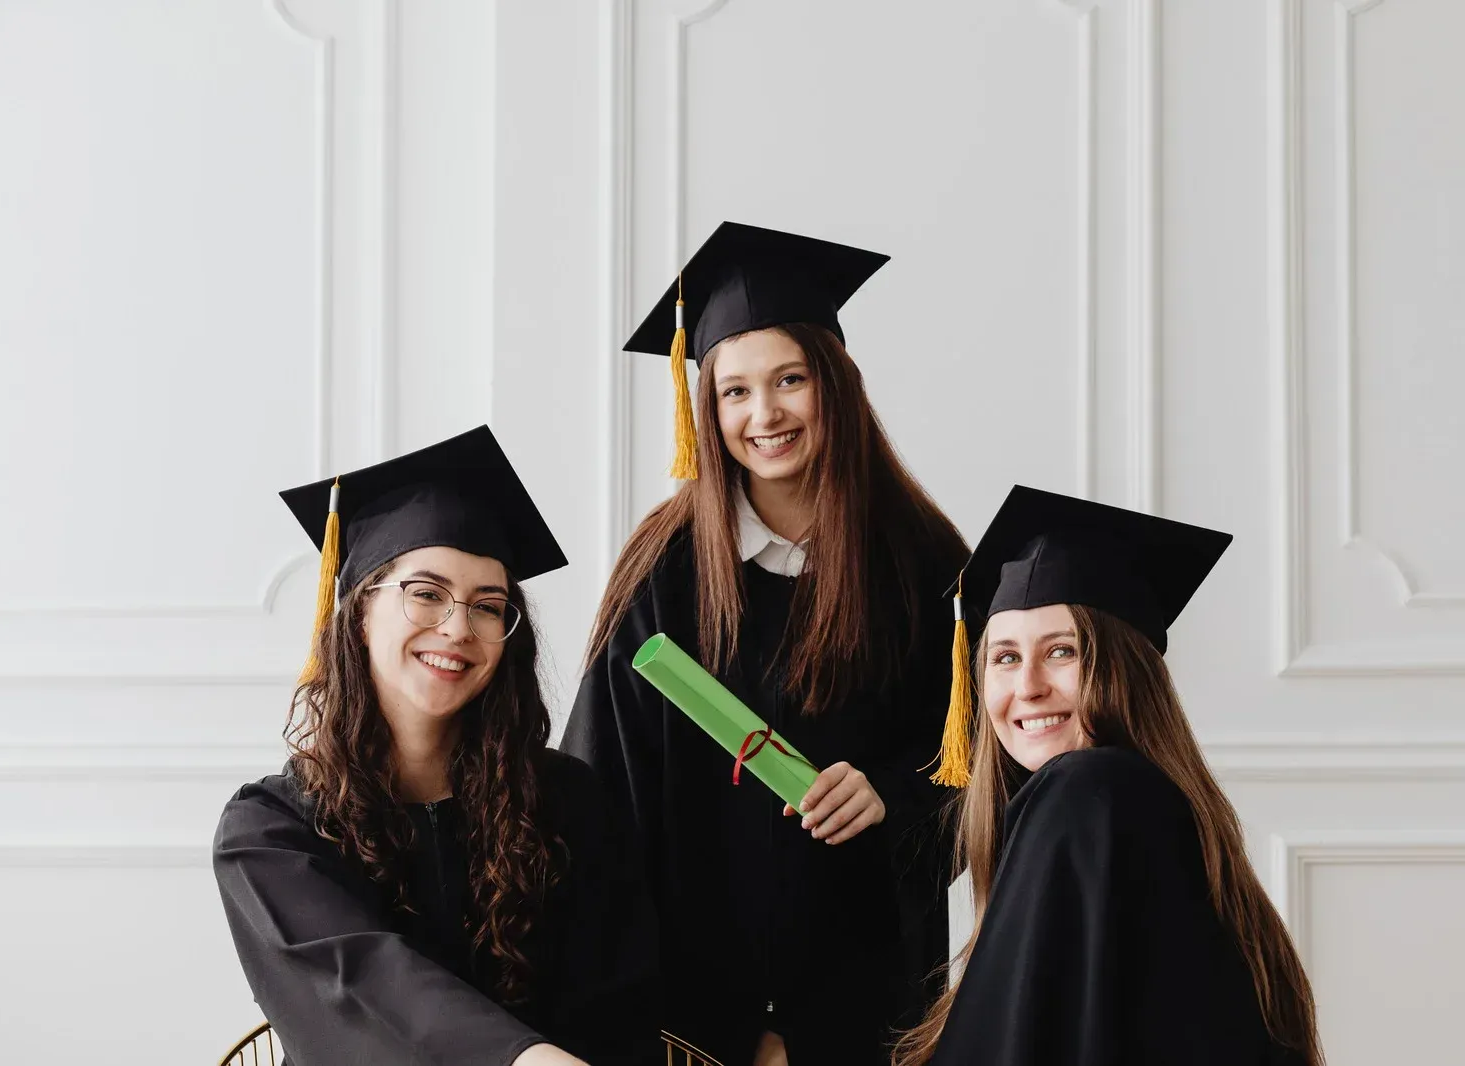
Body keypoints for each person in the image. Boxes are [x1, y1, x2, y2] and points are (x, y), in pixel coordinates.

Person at [563, 222, 970, 1065]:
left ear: (837, 386)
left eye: (790, 380)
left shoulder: (925, 562)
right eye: (735, 392)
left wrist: (892, 794)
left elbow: (978, 767)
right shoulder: (664, 572)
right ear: (706, 411)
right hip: (689, 1010)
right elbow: (600, 793)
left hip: (870, 1001)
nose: (765, 414)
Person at [214, 426, 659, 1066]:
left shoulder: (569, 804)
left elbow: (617, 1007)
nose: (456, 628)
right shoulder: (269, 831)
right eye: (426, 594)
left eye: (488, 605)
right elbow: (360, 985)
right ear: (361, 609)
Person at [894, 485, 1322, 1066]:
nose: (1028, 687)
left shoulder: (1091, 794)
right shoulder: (1155, 813)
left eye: (1063, 651)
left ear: (1125, 668)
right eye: (1005, 657)